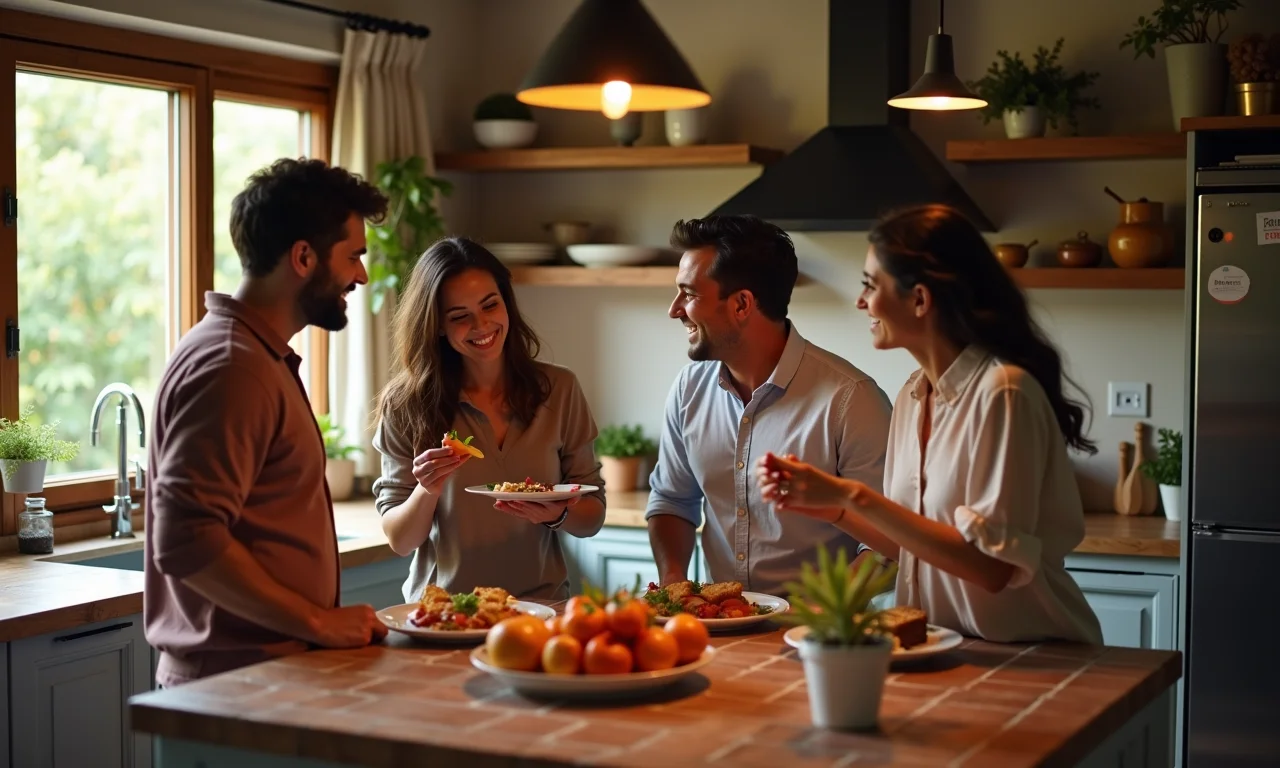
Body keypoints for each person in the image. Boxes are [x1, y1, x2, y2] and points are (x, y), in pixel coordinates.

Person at [755, 204, 1104, 644]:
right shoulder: (912, 395)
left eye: (870, 285)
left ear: (920, 299)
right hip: (947, 650)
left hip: (1036, 655)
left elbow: (993, 568)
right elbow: (913, 552)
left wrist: (851, 495)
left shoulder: (1003, 393)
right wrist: (834, 510)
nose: (861, 302)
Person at [144, 158, 391, 688]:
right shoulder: (234, 366)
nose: (361, 276)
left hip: (261, 676)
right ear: (303, 257)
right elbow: (185, 538)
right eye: (353, 256)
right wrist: (317, 622)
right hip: (233, 684)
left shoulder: (253, 354)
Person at [645, 215, 893, 596]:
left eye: (689, 294)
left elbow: (885, 544)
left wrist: (821, 613)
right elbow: (672, 501)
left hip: (819, 625)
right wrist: (673, 579)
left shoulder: (852, 400)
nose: (674, 309)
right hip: (718, 620)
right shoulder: (688, 390)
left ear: (742, 304)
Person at [371, 237, 606, 602]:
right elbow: (400, 541)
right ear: (437, 325)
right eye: (459, 316)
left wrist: (555, 514)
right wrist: (427, 489)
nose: (482, 325)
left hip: (541, 608)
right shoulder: (406, 404)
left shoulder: (559, 388)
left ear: (506, 302)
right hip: (446, 612)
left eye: (490, 305)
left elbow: (592, 517)